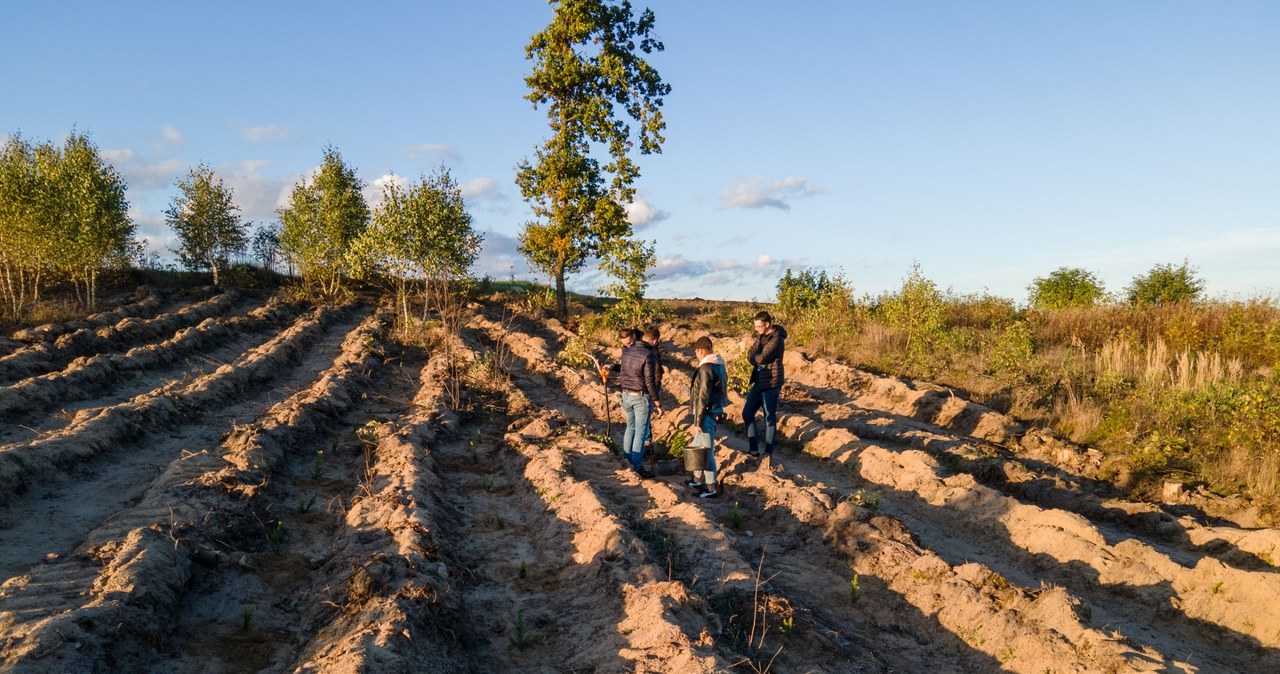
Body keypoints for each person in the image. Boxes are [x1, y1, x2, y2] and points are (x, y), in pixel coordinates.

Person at [616, 327, 663, 478]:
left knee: (630, 427)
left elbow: (623, 372)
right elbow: (649, 381)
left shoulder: (627, 351)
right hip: (639, 396)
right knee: (640, 433)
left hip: (626, 395)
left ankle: (627, 458)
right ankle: (637, 467)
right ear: (654, 341)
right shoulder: (648, 355)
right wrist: (657, 402)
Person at [687, 335, 728, 498]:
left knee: (706, 452)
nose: (696, 355)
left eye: (696, 352)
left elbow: (703, 396)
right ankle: (697, 479)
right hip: (714, 410)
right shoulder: (719, 365)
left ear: (700, 351)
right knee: (699, 447)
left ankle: (711, 488)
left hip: (706, 414)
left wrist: (698, 420)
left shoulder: (706, 368)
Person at [743, 310, 786, 464]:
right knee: (747, 413)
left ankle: (768, 453)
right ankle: (753, 450)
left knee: (769, 416)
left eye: (759, 326)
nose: (756, 329)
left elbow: (761, 358)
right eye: (755, 326)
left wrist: (757, 358)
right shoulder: (761, 336)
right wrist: (756, 358)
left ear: (767, 324)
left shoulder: (777, 339)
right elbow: (750, 355)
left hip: (771, 382)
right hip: (759, 381)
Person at [639, 325, 665, 455]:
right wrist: (657, 399)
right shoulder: (650, 351)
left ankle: (643, 443)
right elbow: (652, 376)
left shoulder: (634, 348)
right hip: (647, 387)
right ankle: (646, 443)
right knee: (646, 414)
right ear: (655, 341)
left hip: (635, 388)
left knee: (642, 417)